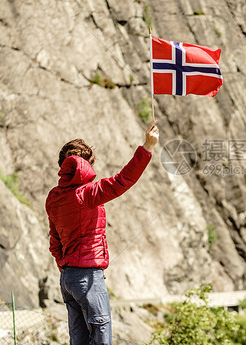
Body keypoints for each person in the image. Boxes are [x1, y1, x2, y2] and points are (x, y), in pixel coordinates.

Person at [46, 122, 159, 344]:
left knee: (78, 339)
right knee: (101, 336)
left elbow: (54, 242)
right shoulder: (87, 194)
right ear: (87, 165)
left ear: (62, 166)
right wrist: (147, 146)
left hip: (67, 278)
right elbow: (123, 180)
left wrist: (65, 266)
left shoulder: (53, 197)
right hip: (87, 276)